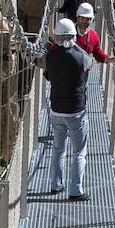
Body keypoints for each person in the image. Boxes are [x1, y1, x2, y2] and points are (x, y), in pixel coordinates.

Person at [45, 18, 93, 201]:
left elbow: (47, 75)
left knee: (58, 149)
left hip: (56, 111)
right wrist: (78, 46)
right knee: (79, 152)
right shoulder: (80, 56)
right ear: (73, 36)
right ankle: (76, 190)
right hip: (76, 111)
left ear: (56, 36)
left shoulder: (50, 56)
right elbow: (89, 63)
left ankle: (56, 185)